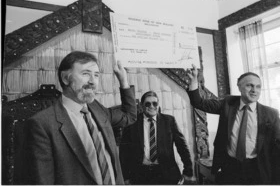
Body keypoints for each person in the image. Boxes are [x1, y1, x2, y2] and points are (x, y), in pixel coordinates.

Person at [25, 51, 137, 185]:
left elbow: (129, 116)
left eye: (96, 75)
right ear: (65, 78)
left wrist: (123, 81)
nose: (92, 81)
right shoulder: (42, 124)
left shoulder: (97, 108)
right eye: (85, 74)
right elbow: (43, 181)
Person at [186, 64, 280, 184]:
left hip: (257, 169)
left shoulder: (271, 114)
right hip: (230, 167)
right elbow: (199, 103)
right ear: (239, 87)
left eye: (258, 87)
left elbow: (278, 151)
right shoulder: (228, 104)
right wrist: (193, 81)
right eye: (249, 85)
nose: (254, 90)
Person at [124, 91, 193, 185]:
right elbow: (124, 152)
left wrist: (188, 171)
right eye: (147, 104)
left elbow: (182, 147)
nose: (152, 106)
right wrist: (126, 176)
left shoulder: (169, 121)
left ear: (158, 104)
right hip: (141, 175)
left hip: (167, 174)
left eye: (154, 103)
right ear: (141, 105)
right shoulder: (132, 123)